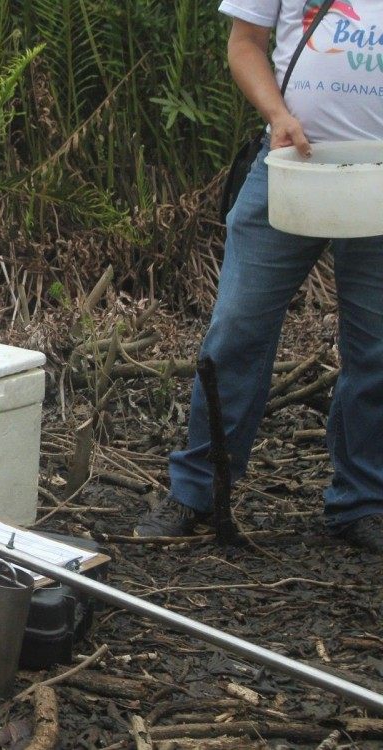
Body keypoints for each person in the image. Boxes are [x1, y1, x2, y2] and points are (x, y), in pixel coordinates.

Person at [136, 0, 383, 551]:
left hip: (379, 182)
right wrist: (278, 116)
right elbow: (245, 43)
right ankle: (199, 491)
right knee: (237, 328)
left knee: (377, 348)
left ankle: (363, 502)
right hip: (288, 168)